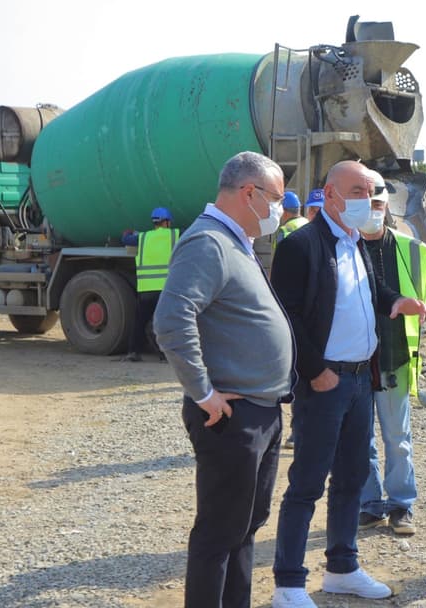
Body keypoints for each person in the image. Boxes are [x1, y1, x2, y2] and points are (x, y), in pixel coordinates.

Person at [269, 160, 426, 608]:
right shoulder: (302, 245)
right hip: (325, 381)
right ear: (332, 195)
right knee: (307, 482)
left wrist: (398, 301)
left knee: (352, 478)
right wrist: (314, 370)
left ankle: (342, 568)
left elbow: (371, 290)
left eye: (372, 190)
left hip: (361, 379)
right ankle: (288, 583)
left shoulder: (355, 241)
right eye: (357, 190)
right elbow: (288, 316)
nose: (367, 197)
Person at [153, 151, 295, 608]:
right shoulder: (209, 243)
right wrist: (204, 393)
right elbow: (172, 320)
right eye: (276, 198)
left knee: (244, 528)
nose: (281, 210)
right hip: (231, 418)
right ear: (249, 193)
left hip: (261, 412)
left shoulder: (238, 242)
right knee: (219, 533)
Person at [357, 170, 426, 536]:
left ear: (386, 206)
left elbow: (425, 301)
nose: (372, 210)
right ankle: (370, 503)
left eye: (377, 203)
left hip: (393, 358)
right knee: (359, 439)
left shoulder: (410, 250)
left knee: (397, 439)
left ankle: (401, 504)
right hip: (353, 361)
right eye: (365, 202)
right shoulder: (344, 246)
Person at [274, 190, 309, 451]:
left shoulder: (286, 233)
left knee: (298, 374)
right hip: (313, 310)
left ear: (284, 211)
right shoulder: (309, 226)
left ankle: (298, 433)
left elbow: (280, 275)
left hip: (294, 310)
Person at [121, 207, 179, 362]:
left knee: (140, 321)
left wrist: (127, 232)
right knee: (164, 322)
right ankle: (163, 354)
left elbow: (126, 240)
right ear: (167, 222)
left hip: (146, 289)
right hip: (165, 289)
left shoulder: (143, 237)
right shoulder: (174, 235)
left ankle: (133, 352)